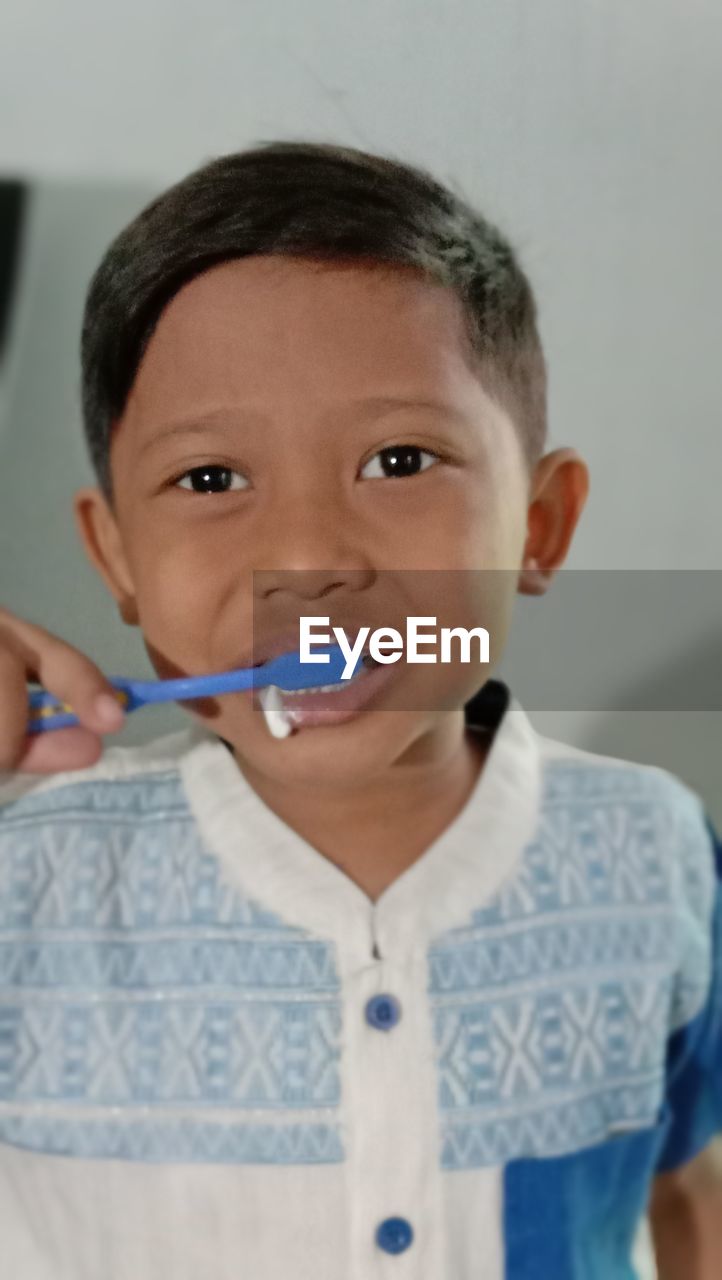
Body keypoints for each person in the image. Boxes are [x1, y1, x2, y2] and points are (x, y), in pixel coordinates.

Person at [0, 140, 720, 1279]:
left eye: (397, 459)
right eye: (209, 480)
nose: (305, 559)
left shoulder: (656, 850)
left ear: (537, 525)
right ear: (116, 556)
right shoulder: (21, 876)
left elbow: (684, 1191)